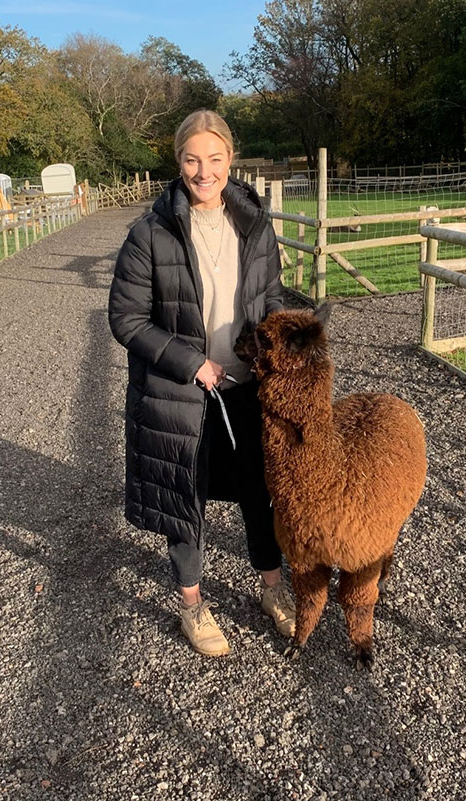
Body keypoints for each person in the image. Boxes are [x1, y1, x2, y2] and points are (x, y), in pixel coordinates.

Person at [108, 109, 295, 656]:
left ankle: (272, 589)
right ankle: (192, 605)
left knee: (258, 492)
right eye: (193, 159)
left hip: (245, 388)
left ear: (230, 161)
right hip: (180, 394)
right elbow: (126, 319)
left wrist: (274, 348)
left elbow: (273, 299)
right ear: (178, 161)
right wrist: (191, 363)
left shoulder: (255, 227)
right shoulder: (150, 233)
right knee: (183, 494)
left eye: (214, 159)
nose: (204, 170)